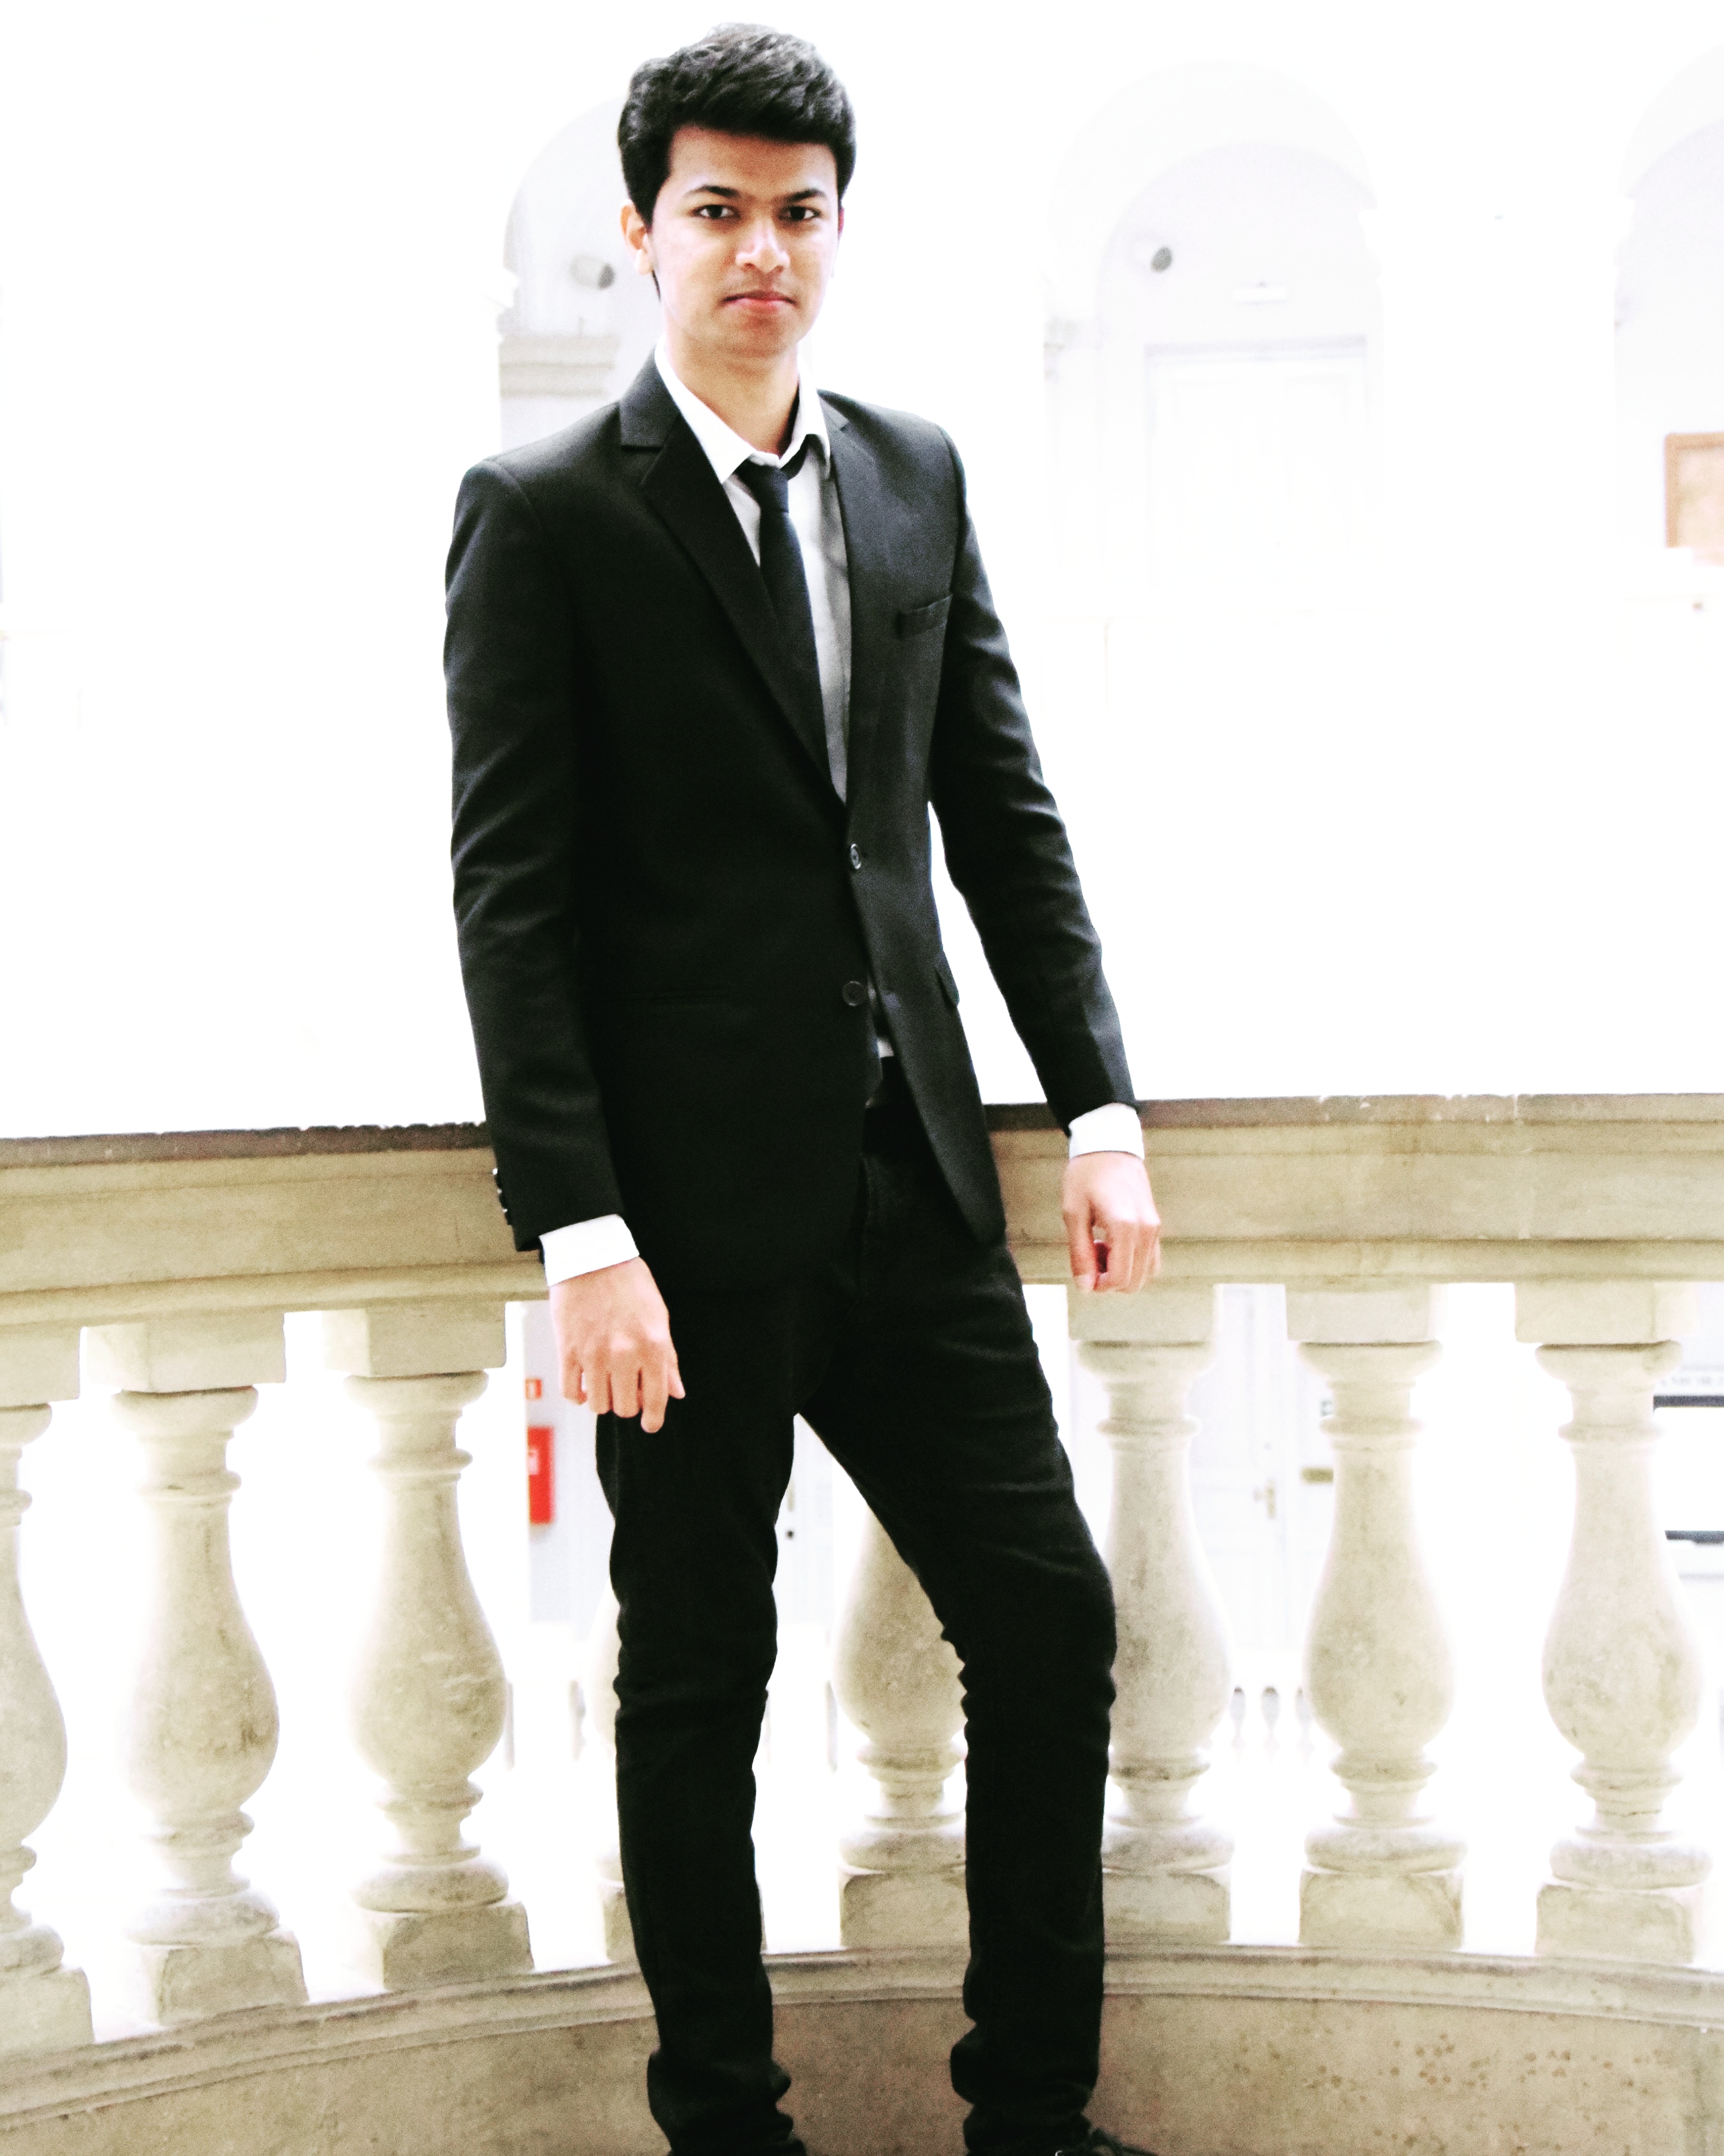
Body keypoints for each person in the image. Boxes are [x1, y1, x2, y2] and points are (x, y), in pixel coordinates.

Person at [445, 25, 1163, 2156]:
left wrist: (1098, 1108)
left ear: (837, 231)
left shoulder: (912, 475)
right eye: (719, 210)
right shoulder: (544, 514)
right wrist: (582, 1229)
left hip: (913, 1188)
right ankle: (727, 2125)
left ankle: (1030, 2112)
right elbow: (511, 896)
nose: (762, 249)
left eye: (799, 212)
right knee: (697, 1684)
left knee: (1048, 1618)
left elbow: (999, 815)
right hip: (678, 1236)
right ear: (643, 231)